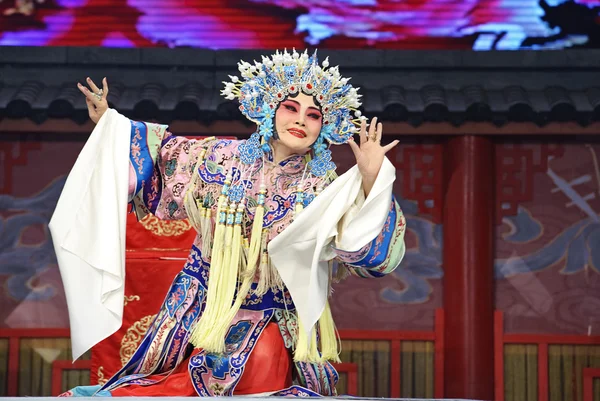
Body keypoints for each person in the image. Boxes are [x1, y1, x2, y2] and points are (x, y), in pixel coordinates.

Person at [51, 49, 406, 397]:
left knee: (260, 367)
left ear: (324, 126)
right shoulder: (220, 158)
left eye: (313, 115)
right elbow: (160, 158)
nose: (300, 120)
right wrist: (109, 125)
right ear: (269, 109)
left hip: (276, 316)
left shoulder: (327, 188)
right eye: (291, 107)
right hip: (202, 308)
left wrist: (372, 180)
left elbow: (370, 258)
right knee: (179, 383)